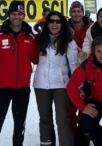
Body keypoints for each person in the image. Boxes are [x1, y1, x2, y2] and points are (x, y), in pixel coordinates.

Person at [0, 0, 38, 146]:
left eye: (20, 14)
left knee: (20, 127)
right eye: (13, 13)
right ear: (9, 15)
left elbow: (36, 59)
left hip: (22, 90)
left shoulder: (31, 37)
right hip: (2, 89)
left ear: (24, 15)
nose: (17, 17)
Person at [33, 11, 78, 146]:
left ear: (62, 24)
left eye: (58, 21)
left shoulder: (69, 42)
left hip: (61, 85)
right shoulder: (39, 40)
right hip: (41, 85)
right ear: (46, 24)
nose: (54, 24)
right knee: (45, 119)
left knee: (62, 120)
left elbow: (74, 66)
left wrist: (78, 86)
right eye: (51, 21)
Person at [67, 1, 93, 143]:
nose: (76, 13)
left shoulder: (90, 26)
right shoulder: (64, 27)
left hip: (87, 73)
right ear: (70, 13)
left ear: (82, 13)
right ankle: (73, 138)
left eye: (78, 11)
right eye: (73, 11)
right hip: (69, 73)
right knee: (70, 111)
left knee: (85, 109)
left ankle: (83, 139)